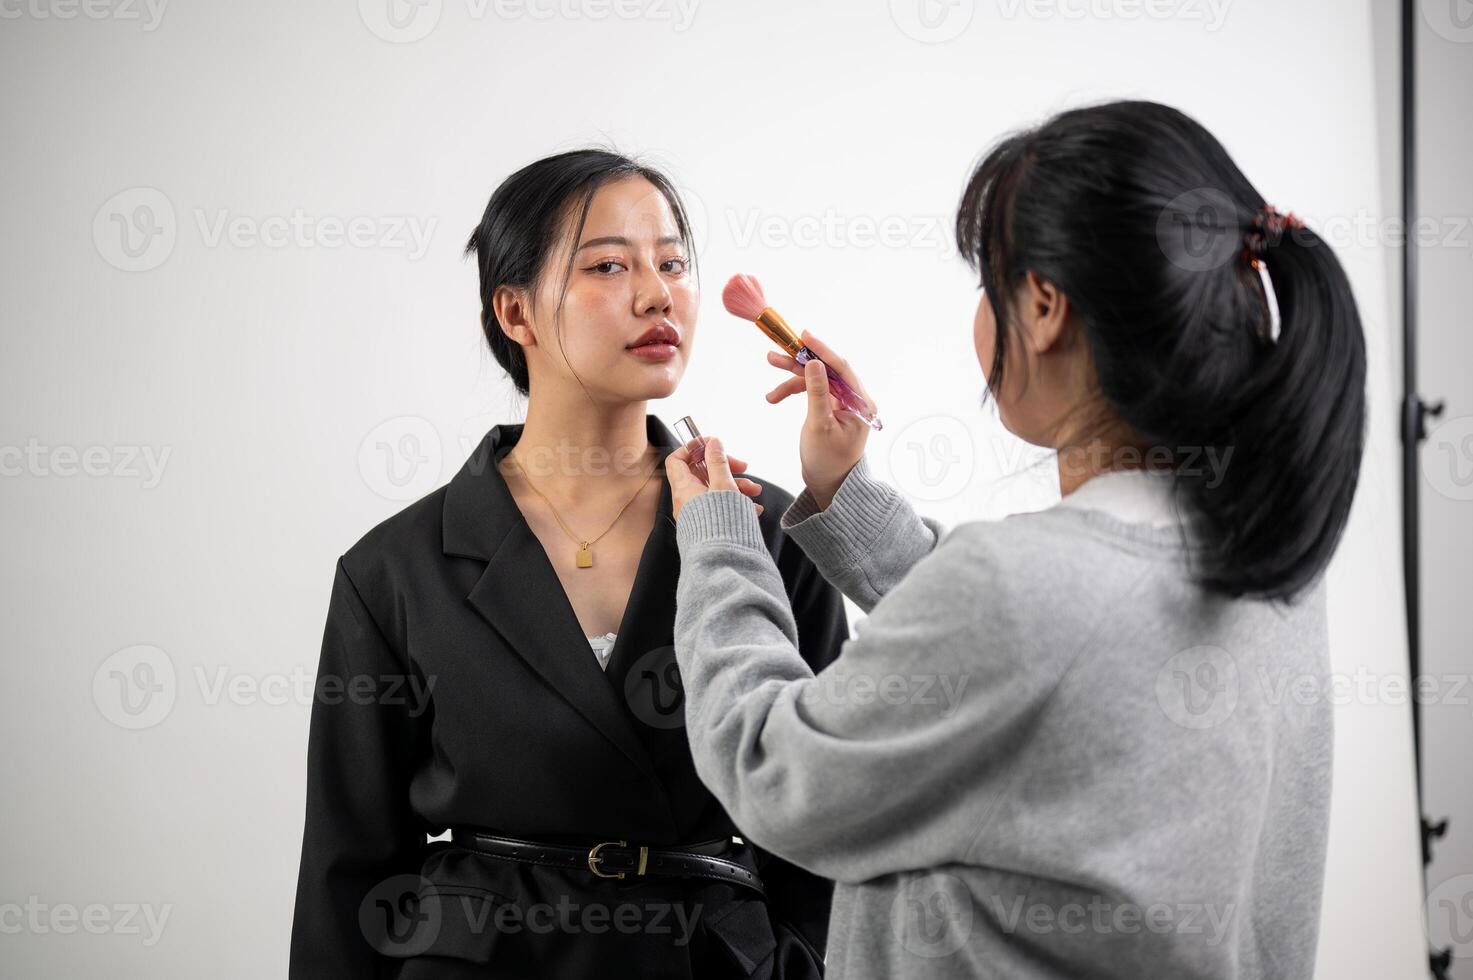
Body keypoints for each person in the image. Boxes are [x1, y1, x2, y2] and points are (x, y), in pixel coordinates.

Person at [664, 100, 1366, 979]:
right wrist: (846, 492)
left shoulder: (1027, 592)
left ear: (1040, 307)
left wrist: (718, 535)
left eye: (984, 286)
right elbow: (1031, 670)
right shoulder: (1269, 556)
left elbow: (769, 765)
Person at [289, 149, 848, 979]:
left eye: (671, 263)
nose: (659, 294)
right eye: (609, 265)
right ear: (514, 312)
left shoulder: (765, 530)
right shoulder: (395, 569)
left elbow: (830, 820)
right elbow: (349, 870)